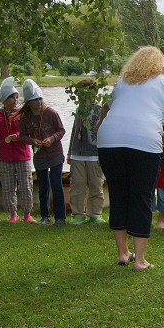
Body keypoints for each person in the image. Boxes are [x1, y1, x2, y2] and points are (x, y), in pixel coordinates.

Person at [97, 46, 164, 270]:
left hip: (108, 141)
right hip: (144, 142)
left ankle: (122, 253)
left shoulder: (121, 84)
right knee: (141, 197)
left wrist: (102, 130)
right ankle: (139, 260)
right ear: (160, 65)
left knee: (118, 194)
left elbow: (104, 111)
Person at [18, 79, 67, 226]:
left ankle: (60, 218)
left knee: (56, 184)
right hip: (39, 155)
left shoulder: (51, 113)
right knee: (43, 186)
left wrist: (51, 139)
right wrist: (32, 141)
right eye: (34, 100)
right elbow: (22, 136)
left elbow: (61, 130)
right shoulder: (25, 117)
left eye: (40, 99)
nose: (38, 102)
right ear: (28, 102)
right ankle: (45, 216)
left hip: (55, 153)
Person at [0, 77, 34, 223]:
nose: (16, 100)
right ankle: (13, 214)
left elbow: (29, 131)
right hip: (5, 157)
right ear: (4, 100)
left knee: (26, 185)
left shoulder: (23, 114)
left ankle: (27, 214)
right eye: (12, 97)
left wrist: (17, 136)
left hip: (23, 155)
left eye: (17, 97)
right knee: (9, 187)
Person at [66, 78, 105, 224]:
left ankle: (95, 213)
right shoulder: (79, 110)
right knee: (78, 184)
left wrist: (103, 152)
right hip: (78, 153)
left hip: (95, 153)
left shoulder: (100, 109)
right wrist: (70, 151)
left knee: (96, 184)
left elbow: (103, 132)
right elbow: (75, 131)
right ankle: (77, 214)